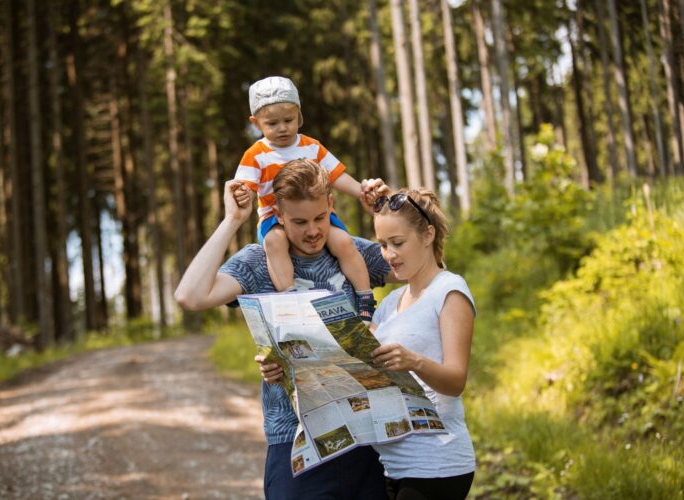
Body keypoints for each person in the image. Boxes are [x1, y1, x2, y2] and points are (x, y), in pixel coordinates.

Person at [175, 159, 392, 499]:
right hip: (293, 439)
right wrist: (232, 220)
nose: (312, 231)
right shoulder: (257, 262)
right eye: (299, 222)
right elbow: (190, 296)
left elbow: (426, 266)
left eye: (320, 218)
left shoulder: (349, 251)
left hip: (367, 433)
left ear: (331, 205)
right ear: (277, 213)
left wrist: (389, 208)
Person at [231, 75, 377, 321]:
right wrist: (242, 194)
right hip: (273, 217)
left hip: (316, 215)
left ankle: (364, 297)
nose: (282, 128)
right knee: (275, 244)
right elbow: (244, 184)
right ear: (256, 123)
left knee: (343, 241)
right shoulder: (256, 154)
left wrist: (361, 190)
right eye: (272, 123)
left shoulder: (311, 147)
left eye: (288, 120)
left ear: (299, 114)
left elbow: (337, 175)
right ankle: (290, 298)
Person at [369, 189, 476, 500]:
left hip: (437, 464)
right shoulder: (389, 304)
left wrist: (414, 361)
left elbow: (456, 381)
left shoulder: (449, 291)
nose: (389, 254)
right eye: (383, 245)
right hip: (391, 465)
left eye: (398, 243)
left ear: (428, 235)